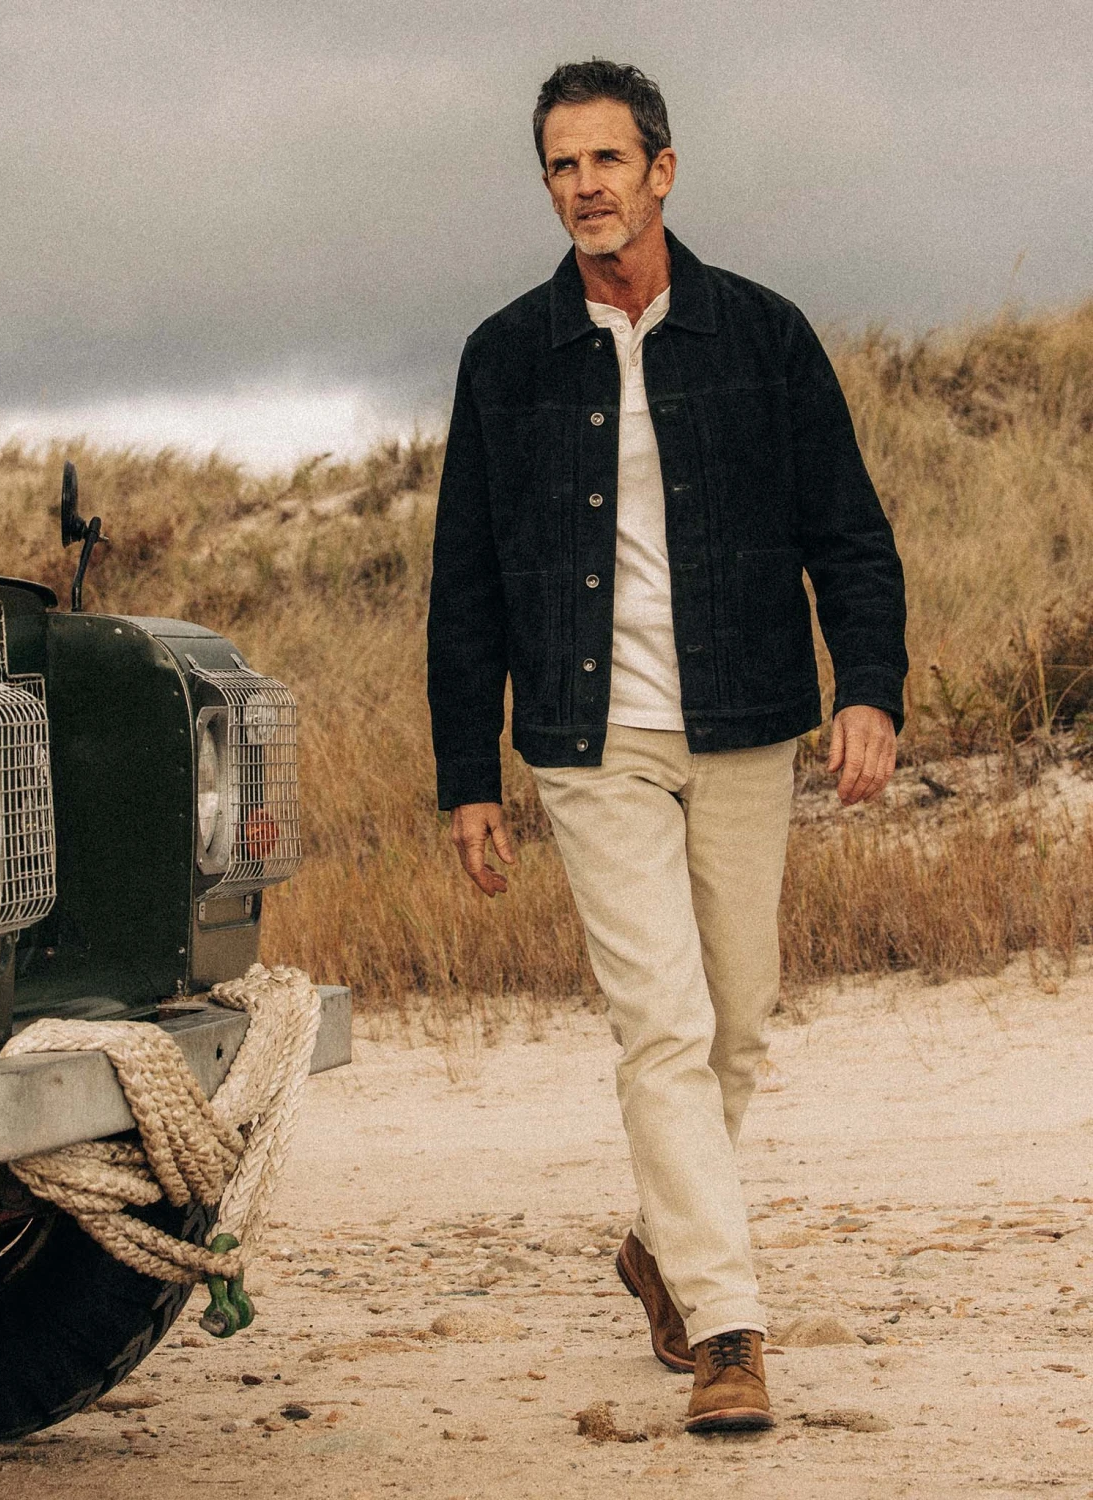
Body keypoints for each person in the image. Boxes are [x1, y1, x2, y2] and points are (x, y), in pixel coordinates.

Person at [425, 58, 907, 1433]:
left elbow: (848, 531)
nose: (585, 187)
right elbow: (466, 581)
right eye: (562, 166)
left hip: (747, 721)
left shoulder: (763, 335)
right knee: (665, 1026)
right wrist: (469, 776)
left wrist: (869, 686)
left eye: (607, 161)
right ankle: (726, 1331)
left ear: (662, 172)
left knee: (736, 1024)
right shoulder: (505, 356)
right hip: (590, 740)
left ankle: (659, 1245)